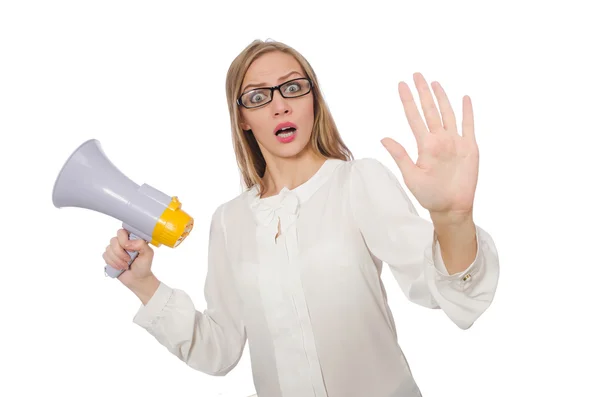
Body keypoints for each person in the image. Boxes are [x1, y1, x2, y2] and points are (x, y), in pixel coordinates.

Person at [102, 39, 500, 397]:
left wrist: (453, 218)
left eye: (293, 88)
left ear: (313, 99)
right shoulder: (229, 221)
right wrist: (145, 285)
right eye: (258, 96)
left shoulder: (357, 182)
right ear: (242, 118)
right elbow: (218, 350)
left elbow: (446, 289)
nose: (280, 105)